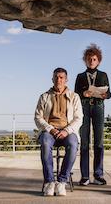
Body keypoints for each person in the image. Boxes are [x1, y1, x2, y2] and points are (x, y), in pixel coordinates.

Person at [34, 67, 83, 196]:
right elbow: (38, 117)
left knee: (73, 144)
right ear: (52, 79)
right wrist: (51, 129)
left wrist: (67, 131)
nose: (58, 80)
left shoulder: (74, 97)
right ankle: (49, 182)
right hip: (49, 132)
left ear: (66, 80)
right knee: (45, 143)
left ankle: (62, 182)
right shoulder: (44, 96)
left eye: (61, 77)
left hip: (68, 132)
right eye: (56, 77)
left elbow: (79, 118)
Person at [75, 44, 111, 186]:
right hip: (84, 109)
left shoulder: (103, 75)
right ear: (85, 60)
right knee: (84, 143)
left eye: (94, 59)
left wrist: (105, 95)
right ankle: (84, 176)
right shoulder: (80, 76)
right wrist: (83, 93)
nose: (92, 61)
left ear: (98, 61)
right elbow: (76, 94)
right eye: (89, 59)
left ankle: (98, 174)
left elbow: (109, 93)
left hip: (98, 108)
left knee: (99, 143)